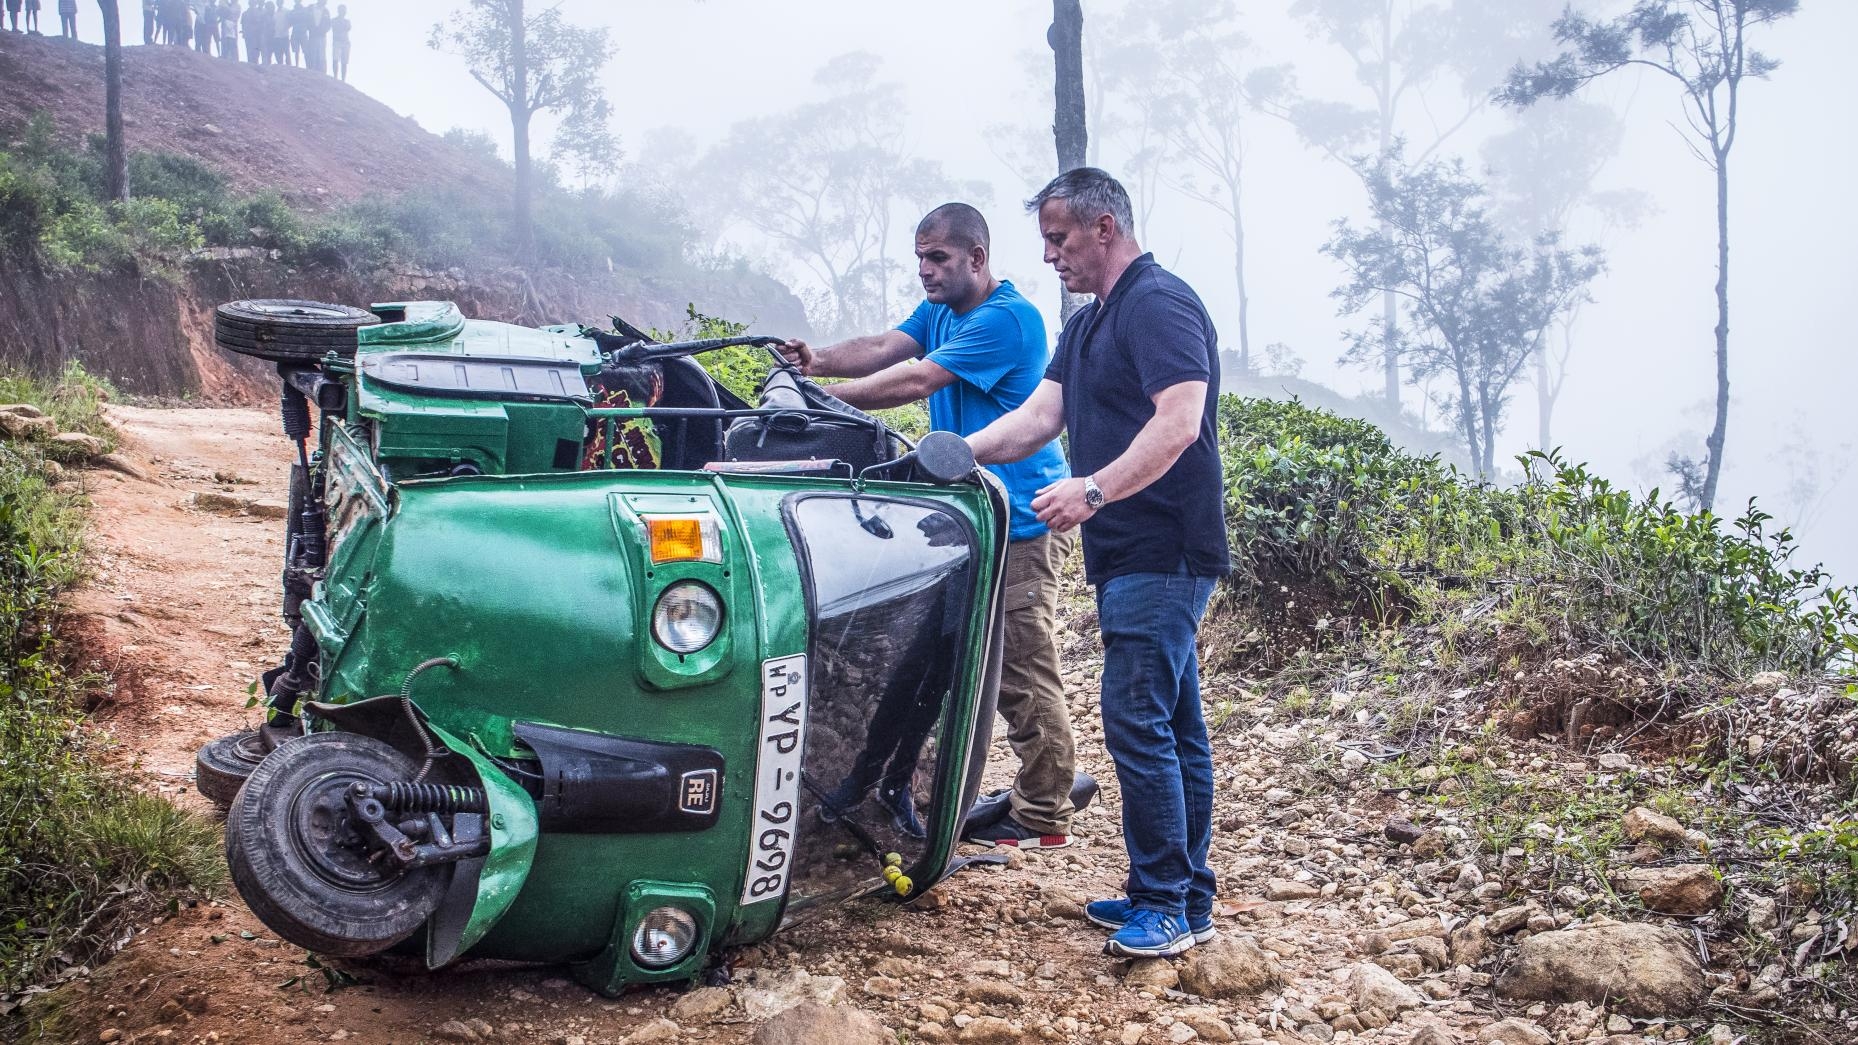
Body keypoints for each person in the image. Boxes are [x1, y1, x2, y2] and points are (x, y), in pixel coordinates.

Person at [965, 167, 1229, 959]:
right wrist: (942, 457)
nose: (1049, 255)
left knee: (1137, 720)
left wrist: (1094, 488)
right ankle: (1187, 892)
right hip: (1127, 555)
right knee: (1176, 724)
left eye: (1060, 237)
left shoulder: (1160, 303)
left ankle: (1165, 903)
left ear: (1104, 227)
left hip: (1167, 546)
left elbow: (1180, 421)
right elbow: (1036, 419)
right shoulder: (1085, 328)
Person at [778, 203, 1081, 850]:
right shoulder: (941, 308)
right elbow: (889, 347)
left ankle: (1044, 808)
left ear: (977, 257)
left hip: (1018, 520)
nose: (925, 270)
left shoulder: (1009, 320)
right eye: (920, 258)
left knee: (1019, 669)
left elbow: (917, 377)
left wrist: (819, 400)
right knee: (924, 660)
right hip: (959, 519)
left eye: (938, 258)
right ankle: (879, 783)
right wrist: (817, 361)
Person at [305, 0, 327, 73]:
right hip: (312, 35)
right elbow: (306, 19)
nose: (325, 2)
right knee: (312, 53)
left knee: (321, 54)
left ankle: (322, 72)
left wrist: (323, 30)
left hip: (322, 36)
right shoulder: (311, 7)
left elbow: (328, 23)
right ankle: (312, 70)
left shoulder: (326, 10)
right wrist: (310, 28)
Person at [329, 3, 349, 80]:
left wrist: (341, 26)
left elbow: (347, 28)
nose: (343, 12)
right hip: (337, 42)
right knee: (335, 59)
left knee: (344, 62)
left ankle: (343, 79)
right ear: (338, 11)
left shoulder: (347, 21)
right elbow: (337, 28)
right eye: (342, 10)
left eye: (344, 10)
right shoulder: (334, 20)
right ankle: (335, 77)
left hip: (345, 43)